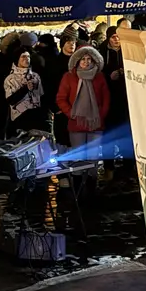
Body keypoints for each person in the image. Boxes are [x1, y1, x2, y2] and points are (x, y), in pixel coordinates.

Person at [57, 45, 110, 196]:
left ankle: (92, 190)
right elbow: (61, 98)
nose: (86, 62)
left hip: (95, 124)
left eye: (89, 59)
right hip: (77, 124)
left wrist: (101, 114)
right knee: (79, 157)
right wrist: (71, 113)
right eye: (83, 59)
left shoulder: (99, 77)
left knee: (93, 157)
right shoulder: (69, 77)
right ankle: (78, 191)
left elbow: (106, 97)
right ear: (77, 61)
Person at [3, 50, 48, 133]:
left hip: (36, 116)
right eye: (23, 57)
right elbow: (11, 100)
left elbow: (41, 96)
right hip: (20, 117)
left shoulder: (35, 76)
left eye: (28, 57)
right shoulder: (10, 79)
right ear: (17, 59)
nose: (27, 59)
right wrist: (25, 89)